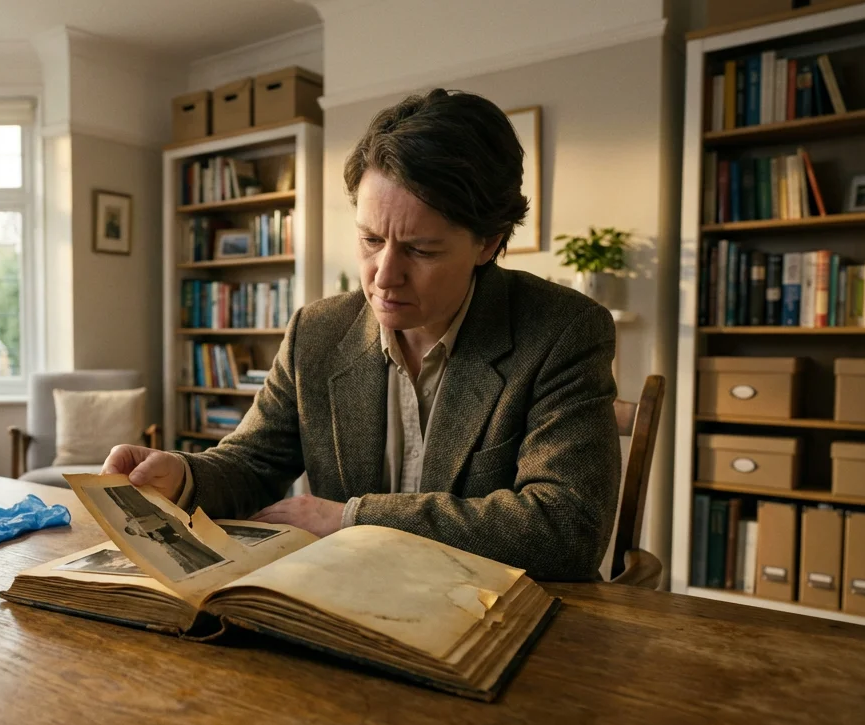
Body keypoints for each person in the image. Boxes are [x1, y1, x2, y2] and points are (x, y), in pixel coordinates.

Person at [104, 89, 620, 581]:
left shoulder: (562, 330)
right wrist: (182, 474)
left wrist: (351, 519)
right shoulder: (318, 331)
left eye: (421, 250)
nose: (383, 275)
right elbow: (254, 461)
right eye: (371, 239)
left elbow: (566, 527)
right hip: (344, 604)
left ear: (488, 243)